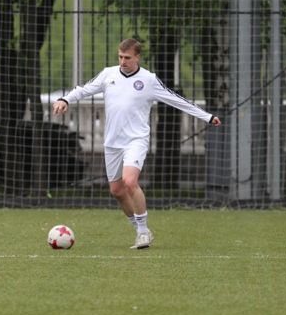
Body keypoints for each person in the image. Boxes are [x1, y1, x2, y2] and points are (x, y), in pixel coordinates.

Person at [53, 38, 220, 249]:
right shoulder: (108, 74)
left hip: (136, 140)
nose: (123, 61)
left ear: (138, 57)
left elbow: (176, 99)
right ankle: (142, 230)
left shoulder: (148, 80)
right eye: (120, 57)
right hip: (113, 142)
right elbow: (84, 89)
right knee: (117, 191)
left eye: (128, 58)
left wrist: (206, 116)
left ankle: (142, 232)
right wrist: (65, 99)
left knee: (130, 182)